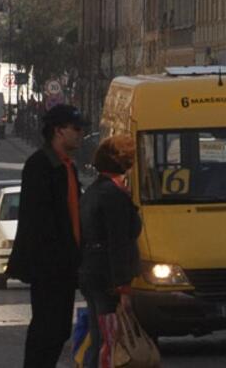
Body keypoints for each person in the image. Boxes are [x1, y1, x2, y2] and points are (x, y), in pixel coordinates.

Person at [6, 104, 87, 368]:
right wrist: (56, 259)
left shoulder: (67, 167)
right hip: (49, 264)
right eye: (76, 128)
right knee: (46, 328)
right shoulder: (40, 165)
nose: (81, 134)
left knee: (60, 328)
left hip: (66, 263)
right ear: (58, 131)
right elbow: (39, 221)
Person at [79, 135, 142, 368]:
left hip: (91, 271)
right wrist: (123, 287)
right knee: (109, 339)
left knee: (98, 338)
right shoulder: (113, 196)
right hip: (108, 277)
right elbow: (118, 242)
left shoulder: (93, 191)